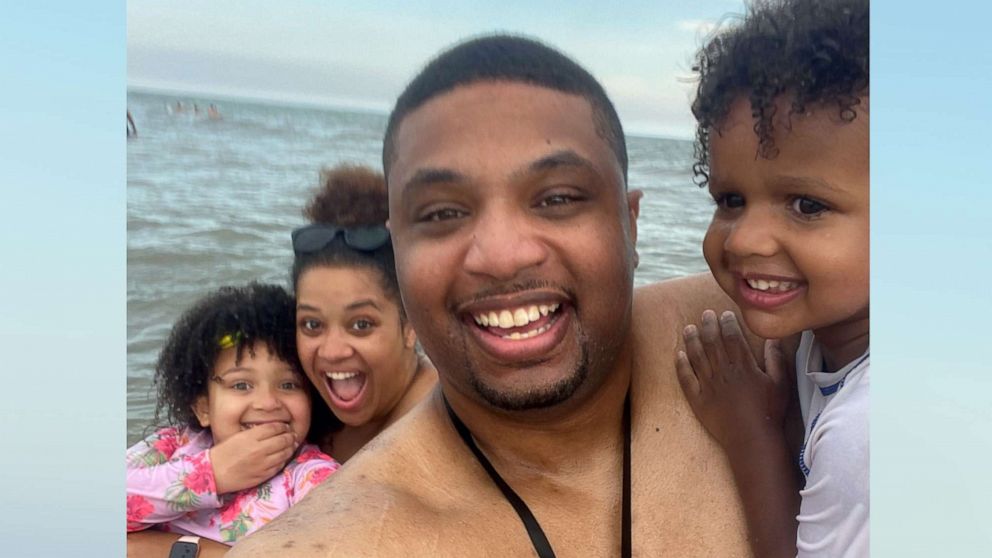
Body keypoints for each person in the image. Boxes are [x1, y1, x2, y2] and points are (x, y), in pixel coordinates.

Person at [231, 35, 760, 557]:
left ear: (631, 223)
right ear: (398, 250)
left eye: (556, 198)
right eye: (442, 214)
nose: (502, 255)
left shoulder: (766, 343)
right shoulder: (339, 542)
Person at [675, 1, 869, 556]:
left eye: (807, 204)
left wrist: (750, 431)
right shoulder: (826, 332)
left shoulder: (870, 433)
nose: (743, 241)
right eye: (730, 200)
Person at [126, 283, 340, 547]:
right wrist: (212, 474)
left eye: (289, 385)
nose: (267, 403)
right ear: (203, 407)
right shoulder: (174, 444)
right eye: (241, 385)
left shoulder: (312, 475)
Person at [291, 164, 438, 463]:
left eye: (360, 324)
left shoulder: (445, 435)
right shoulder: (300, 409)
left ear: (411, 323)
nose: (332, 351)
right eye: (312, 324)